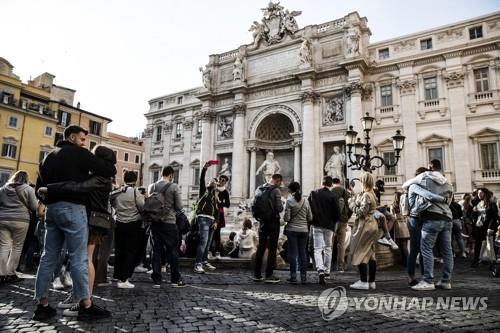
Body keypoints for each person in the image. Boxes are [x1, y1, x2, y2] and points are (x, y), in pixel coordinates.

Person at [33, 125, 115, 321]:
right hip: (73, 208)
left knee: (48, 257)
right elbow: (109, 168)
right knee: (79, 257)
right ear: (71, 137)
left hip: (52, 210)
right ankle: (86, 305)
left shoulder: (48, 157)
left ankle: (42, 306)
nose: (84, 143)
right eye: (82, 139)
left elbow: (38, 188)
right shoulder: (79, 153)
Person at [405, 160, 454, 291]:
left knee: (425, 249)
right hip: (447, 217)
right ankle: (446, 280)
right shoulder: (447, 182)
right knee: (447, 251)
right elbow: (449, 200)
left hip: (431, 217)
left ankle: (427, 280)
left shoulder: (425, 179)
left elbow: (408, 186)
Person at [148, 166, 185, 288]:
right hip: (169, 223)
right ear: (170, 175)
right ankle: (175, 280)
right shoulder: (174, 187)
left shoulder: (152, 186)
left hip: (155, 223)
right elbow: (179, 206)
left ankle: (157, 280)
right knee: (173, 251)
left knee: (156, 251)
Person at [0, 171, 37, 284]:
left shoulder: (3, 189)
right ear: (26, 178)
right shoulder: (28, 189)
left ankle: (1, 273)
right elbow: (34, 206)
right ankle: (10, 273)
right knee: (17, 247)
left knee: (3, 246)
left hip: (3, 219)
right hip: (21, 221)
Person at [111, 171, 145, 288]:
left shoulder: (118, 191)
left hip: (119, 223)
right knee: (130, 251)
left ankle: (117, 275)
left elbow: (111, 201)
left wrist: (118, 209)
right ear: (135, 180)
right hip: (133, 224)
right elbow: (142, 206)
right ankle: (124, 279)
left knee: (119, 250)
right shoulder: (135, 192)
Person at [348, 172, 380, 290]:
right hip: (372, 224)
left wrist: (351, 204)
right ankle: (371, 281)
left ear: (363, 182)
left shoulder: (366, 195)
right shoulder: (372, 194)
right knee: (370, 253)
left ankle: (363, 281)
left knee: (359, 251)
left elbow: (361, 212)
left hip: (365, 225)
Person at [308, 176, 340, 284]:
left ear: (322, 182)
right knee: (328, 248)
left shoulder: (313, 193)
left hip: (317, 224)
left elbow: (309, 208)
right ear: (331, 184)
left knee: (317, 249)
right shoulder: (333, 196)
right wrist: (334, 222)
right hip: (329, 225)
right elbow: (337, 213)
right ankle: (327, 271)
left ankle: (320, 269)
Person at [252, 174, 284, 284]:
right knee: (272, 248)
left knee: (261, 247)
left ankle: (257, 274)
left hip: (262, 222)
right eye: (280, 182)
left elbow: (253, 204)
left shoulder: (259, 189)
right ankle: (269, 275)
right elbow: (279, 208)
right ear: (277, 181)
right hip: (273, 222)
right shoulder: (276, 191)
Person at [284, 182, 312, 284]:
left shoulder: (289, 201)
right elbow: (310, 217)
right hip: (304, 230)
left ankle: (293, 277)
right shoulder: (306, 201)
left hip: (292, 230)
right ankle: (304, 277)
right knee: (303, 253)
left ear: (291, 190)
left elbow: (286, 218)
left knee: (293, 254)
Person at [193, 161, 219, 274]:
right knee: (203, 241)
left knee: (208, 242)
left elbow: (217, 211)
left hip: (211, 220)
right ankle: (197, 264)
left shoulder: (214, 196)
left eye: (214, 182)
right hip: (203, 218)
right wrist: (204, 168)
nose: (212, 182)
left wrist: (216, 221)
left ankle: (204, 261)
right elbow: (201, 179)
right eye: (210, 181)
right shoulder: (204, 191)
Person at [471, 188, 499, 268]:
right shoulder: (478, 203)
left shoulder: (491, 203)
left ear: (485, 193)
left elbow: (494, 217)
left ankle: (492, 262)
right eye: (478, 193)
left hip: (488, 227)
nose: (479, 194)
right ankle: (475, 261)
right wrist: (474, 211)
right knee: (478, 245)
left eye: (481, 193)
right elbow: (473, 216)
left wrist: (490, 228)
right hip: (478, 227)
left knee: (490, 245)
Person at [331, 177, 351, 273]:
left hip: (332, 221)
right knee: (341, 244)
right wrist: (347, 217)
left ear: (332, 183)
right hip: (343, 220)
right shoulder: (345, 192)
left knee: (329, 244)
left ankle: (328, 266)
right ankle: (340, 267)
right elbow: (350, 207)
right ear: (340, 182)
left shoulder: (330, 191)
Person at [210, 175, 230, 259]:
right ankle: (209, 251)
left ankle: (217, 252)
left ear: (225, 182)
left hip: (219, 213)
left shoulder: (225, 192)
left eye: (223, 180)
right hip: (210, 212)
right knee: (210, 232)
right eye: (220, 179)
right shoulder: (213, 188)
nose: (221, 181)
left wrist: (220, 203)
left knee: (217, 233)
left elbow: (228, 204)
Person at [391, 191, 410, 266]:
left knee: (402, 246)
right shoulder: (403, 205)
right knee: (404, 245)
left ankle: (407, 261)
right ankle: (406, 261)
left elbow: (392, 217)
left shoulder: (393, 206)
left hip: (399, 227)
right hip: (405, 225)